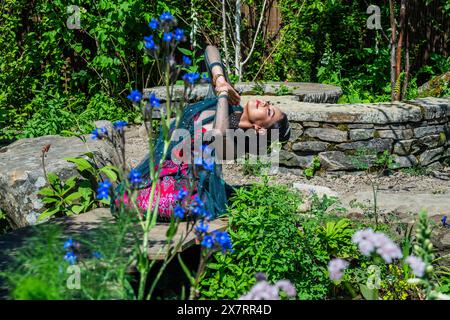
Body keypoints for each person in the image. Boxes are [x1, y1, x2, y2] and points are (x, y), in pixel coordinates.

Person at [119, 45, 290, 220]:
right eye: (268, 103)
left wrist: (222, 92)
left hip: (186, 188)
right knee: (124, 196)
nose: (264, 103)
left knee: (128, 201)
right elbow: (211, 49)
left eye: (268, 111)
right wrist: (220, 78)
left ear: (259, 129)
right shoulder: (232, 104)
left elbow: (218, 133)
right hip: (164, 170)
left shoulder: (238, 142)